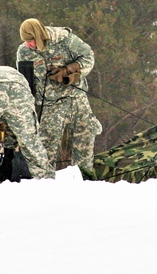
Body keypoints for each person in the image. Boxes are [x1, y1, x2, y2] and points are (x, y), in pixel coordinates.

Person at [15, 18, 102, 175]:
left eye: (31, 40)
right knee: (45, 147)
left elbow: (88, 56)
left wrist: (69, 70)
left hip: (76, 98)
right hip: (51, 103)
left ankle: (84, 179)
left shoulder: (64, 40)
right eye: (26, 41)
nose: (29, 44)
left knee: (85, 139)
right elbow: (25, 83)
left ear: (39, 35)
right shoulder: (24, 52)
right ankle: (45, 184)